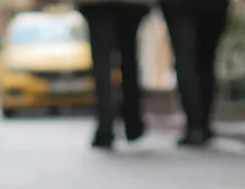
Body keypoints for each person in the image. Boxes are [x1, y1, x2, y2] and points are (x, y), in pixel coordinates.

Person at [75, 0, 153, 149]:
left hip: (98, 5)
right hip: (131, 5)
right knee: (129, 60)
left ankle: (105, 126)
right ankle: (133, 122)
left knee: (102, 64)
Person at [159, 0, 230, 147]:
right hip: (213, 5)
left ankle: (195, 125)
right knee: (206, 60)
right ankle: (203, 123)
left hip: (178, 6)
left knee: (185, 59)